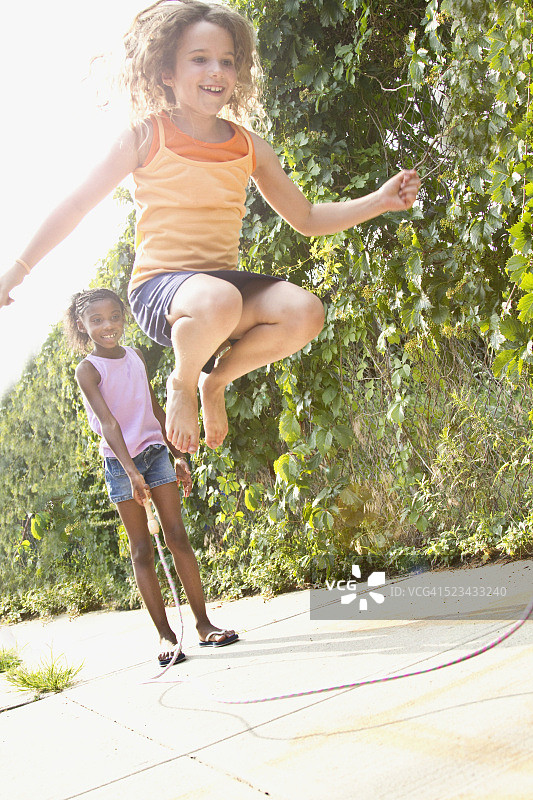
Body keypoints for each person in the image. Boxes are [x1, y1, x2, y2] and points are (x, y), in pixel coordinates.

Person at [0, 0, 420, 456]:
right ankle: (181, 381)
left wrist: (380, 201)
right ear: (166, 72)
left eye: (227, 61)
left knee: (306, 311)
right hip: (162, 290)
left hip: (221, 293)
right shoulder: (145, 135)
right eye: (199, 59)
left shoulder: (249, 147)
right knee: (219, 299)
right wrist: (17, 270)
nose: (215, 71)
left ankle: (212, 379)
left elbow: (307, 218)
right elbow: (76, 204)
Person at [64, 286, 238, 666]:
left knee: (177, 537)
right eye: (97, 320)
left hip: (156, 454)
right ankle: (165, 635)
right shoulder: (88, 369)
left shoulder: (136, 356)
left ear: (123, 316)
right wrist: (130, 472)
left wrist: (176, 455)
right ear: (83, 325)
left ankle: (204, 625)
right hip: (120, 463)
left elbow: (154, 408)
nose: (108, 326)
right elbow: (108, 423)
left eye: (114, 316)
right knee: (143, 550)